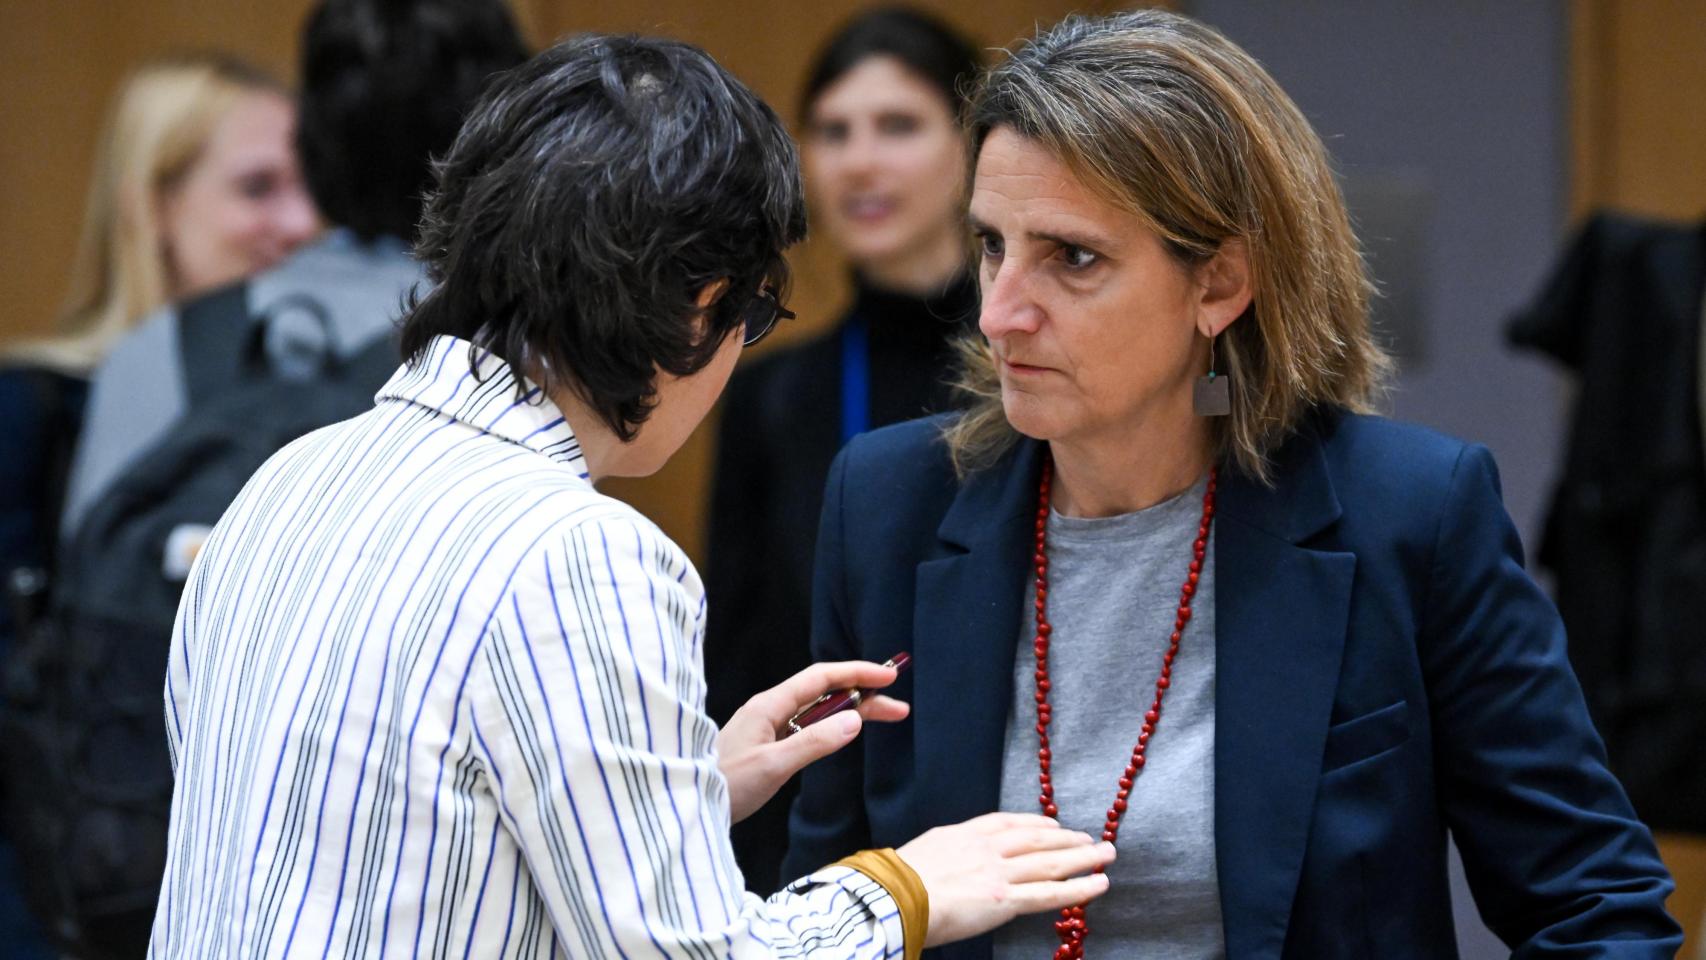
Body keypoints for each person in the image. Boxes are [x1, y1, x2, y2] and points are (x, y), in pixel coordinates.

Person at [147, 34, 1114, 959]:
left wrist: (681, 795)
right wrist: (908, 885)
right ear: (703, 305)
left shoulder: (290, 479)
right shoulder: (579, 552)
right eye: (754, 315)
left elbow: (379, 840)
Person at [785, 10, 1683, 959]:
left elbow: (1598, 908)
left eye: (1072, 258)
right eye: (993, 245)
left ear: (1218, 286)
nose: (999, 313)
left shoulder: (1412, 514)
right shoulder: (886, 505)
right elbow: (825, 907)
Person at [0, 53, 313, 958]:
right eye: (258, 188)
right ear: (153, 205)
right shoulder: (32, 413)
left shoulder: (323, 413)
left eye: (311, 187)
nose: (302, 224)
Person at [59, 0, 526, 537]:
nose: (300, 223)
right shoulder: (513, 344)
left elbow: (93, 576)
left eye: (301, 181)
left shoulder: (151, 353)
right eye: (257, 188)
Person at [703, 7, 981, 893]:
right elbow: (739, 661)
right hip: (822, 826)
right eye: (833, 132)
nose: (861, 161)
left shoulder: (1035, 370)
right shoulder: (769, 392)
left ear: (972, 145)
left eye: (898, 125)